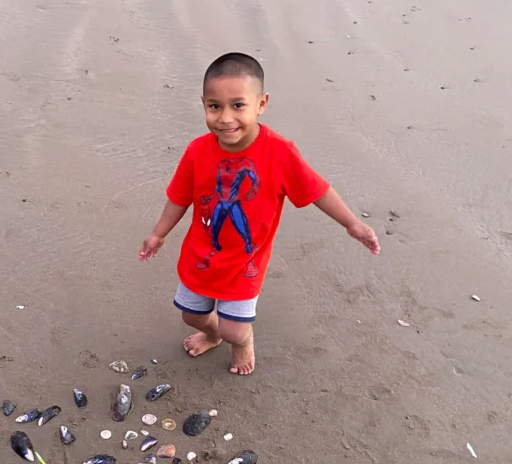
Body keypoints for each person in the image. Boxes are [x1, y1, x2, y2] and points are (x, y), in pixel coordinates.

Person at [138, 53, 379, 375]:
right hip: (202, 256)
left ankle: (241, 342)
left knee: (234, 329)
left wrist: (352, 224)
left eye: (238, 105)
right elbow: (179, 198)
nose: (225, 117)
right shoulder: (197, 151)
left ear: (261, 104)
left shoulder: (279, 153)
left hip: (245, 263)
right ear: (204, 104)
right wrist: (159, 233)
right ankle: (212, 335)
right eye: (214, 106)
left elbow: (317, 190)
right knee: (192, 316)